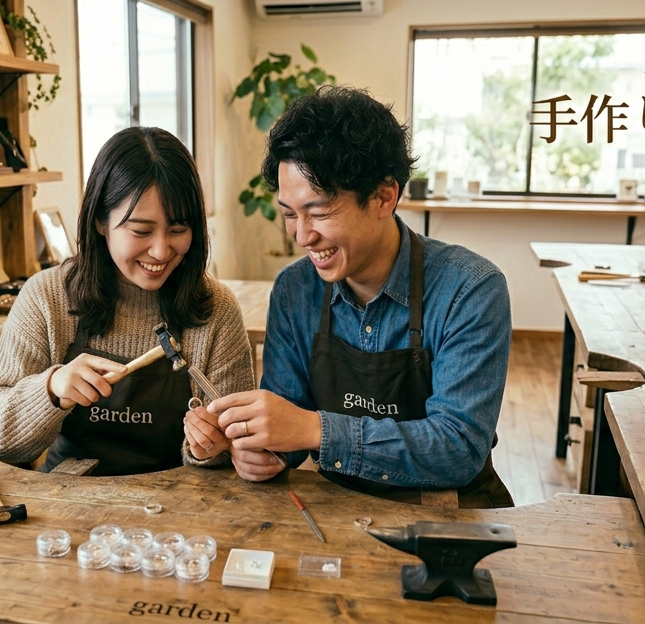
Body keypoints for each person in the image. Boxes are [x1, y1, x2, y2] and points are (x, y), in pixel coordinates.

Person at [206, 87, 515, 508]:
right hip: (336, 506)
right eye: (289, 213)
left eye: (319, 212)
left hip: (451, 512)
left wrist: (315, 431)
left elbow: (458, 448)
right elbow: (289, 423)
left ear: (384, 196)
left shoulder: (470, 289)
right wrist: (264, 451)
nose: (301, 235)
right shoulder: (295, 290)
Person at [0, 126, 255, 476]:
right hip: (69, 502)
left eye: (178, 229)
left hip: (176, 510)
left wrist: (210, 447)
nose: (161, 250)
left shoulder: (216, 308)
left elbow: (240, 445)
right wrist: (51, 388)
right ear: (100, 221)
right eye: (141, 231)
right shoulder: (48, 296)